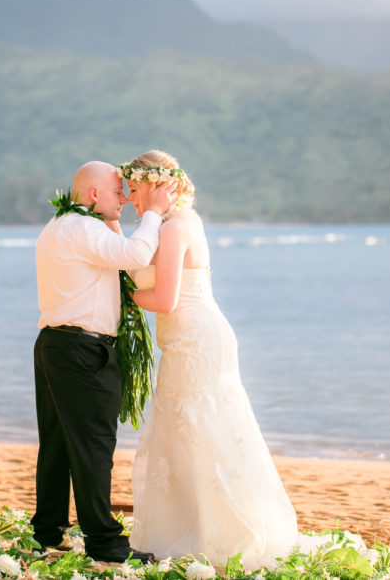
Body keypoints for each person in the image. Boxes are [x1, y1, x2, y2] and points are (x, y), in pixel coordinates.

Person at [121, 150, 301, 570]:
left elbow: (163, 300)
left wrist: (120, 293)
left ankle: (215, 534)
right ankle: (194, 525)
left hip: (194, 341)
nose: (131, 199)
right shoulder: (181, 221)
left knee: (197, 432)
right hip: (192, 337)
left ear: (153, 184)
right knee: (188, 432)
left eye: (134, 188)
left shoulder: (176, 226)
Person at [32, 160, 176, 564]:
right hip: (81, 350)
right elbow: (134, 256)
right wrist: (154, 213)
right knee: (94, 446)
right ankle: (105, 543)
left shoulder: (60, 226)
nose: (126, 198)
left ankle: (49, 532)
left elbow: (115, 259)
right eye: (118, 192)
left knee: (58, 444)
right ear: (93, 195)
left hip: (53, 344)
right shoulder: (83, 228)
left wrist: (116, 222)